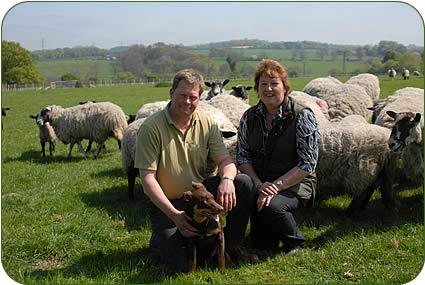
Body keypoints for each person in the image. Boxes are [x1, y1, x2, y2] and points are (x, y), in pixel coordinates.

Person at [134, 68, 258, 272]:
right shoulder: (151, 128)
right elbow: (147, 180)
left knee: (243, 183)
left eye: (193, 97)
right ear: (171, 93)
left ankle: (232, 244)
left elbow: (225, 159)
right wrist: (174, 215)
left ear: (200, 97)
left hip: (200, 194)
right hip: (168, 202)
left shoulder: (206, 123)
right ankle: (162, 236)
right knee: (181, 267)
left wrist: (226, 179)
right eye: (182, 95)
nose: (187, 101)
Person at [236, 59, 320, 255]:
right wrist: (258, 184)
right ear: (257, 89)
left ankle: (295, 243)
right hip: (261, 182)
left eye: (274, 83)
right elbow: (242, 156)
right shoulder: (249, 117)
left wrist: (277, 186)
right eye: (263, 84)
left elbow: (307, 163)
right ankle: (237, 240)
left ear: (285, 87)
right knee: (261, 243)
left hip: (295, 182)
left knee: (271, 206)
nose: (269, 89)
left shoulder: (302, 115)